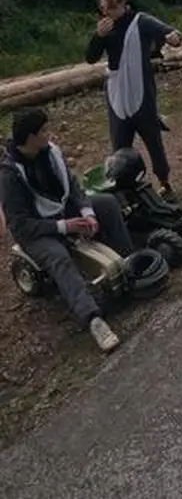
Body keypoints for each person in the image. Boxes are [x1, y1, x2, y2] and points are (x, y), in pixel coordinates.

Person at [0, 108, 132, 352]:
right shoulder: (10, 176)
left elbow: (72, 187)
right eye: (43, 132)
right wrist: (63, 227)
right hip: (37, 230)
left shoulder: (50, 153)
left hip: (62, 213)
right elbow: (20, 225)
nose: (48, 136)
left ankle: (128, 264)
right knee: (59, 257)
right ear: (29, 138)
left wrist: (86, 213)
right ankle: (94, 320)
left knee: (107, 204)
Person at [85, 0, 182, 198]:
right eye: (103, 10)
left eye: (111, 8)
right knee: (120, 146)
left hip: (141, 90)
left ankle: (164, 181)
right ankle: (124, 188)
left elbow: (170, 33)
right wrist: (97, 37)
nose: (107, 13)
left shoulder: (141, 21)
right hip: (117, 92)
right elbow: (90, 58)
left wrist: (173, 37)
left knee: (152, 140)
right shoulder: (105, 28)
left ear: (123, 3)